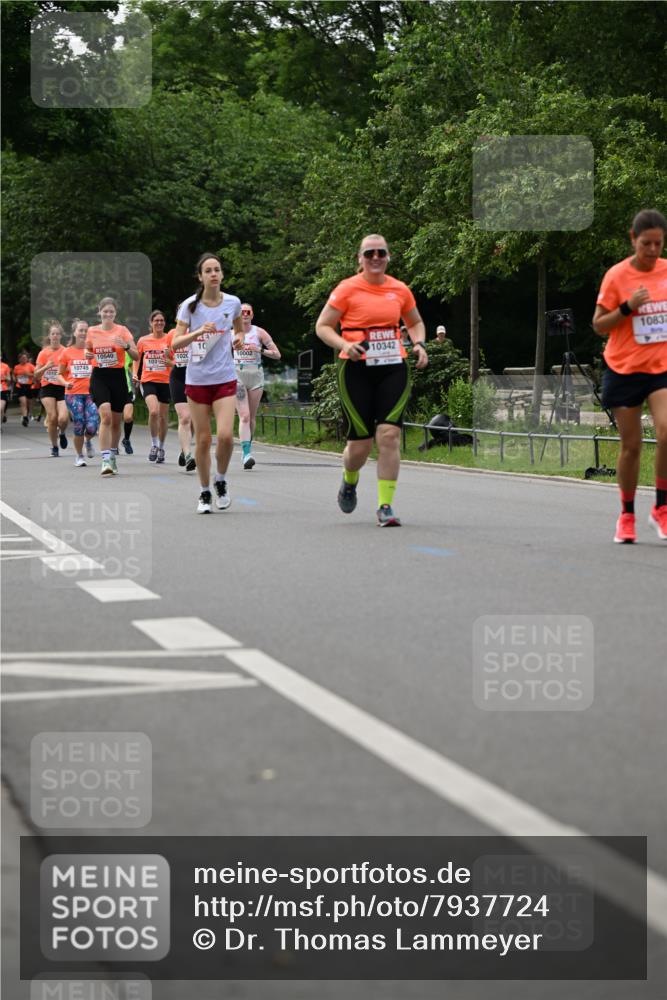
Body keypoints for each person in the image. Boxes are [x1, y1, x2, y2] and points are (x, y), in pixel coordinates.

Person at [315, 233, 428, 526]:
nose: (375, 258)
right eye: (369, 254)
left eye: (381, 253)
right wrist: (344, 345)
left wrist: (419, 344)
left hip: (393, 365)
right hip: (355, 370)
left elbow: (414, 322)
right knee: (360, 446)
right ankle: (349, 480)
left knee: (389, 435)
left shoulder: (400, 289)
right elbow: (323, 326)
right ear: (360, 259)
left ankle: (385, 506)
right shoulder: (347, 289)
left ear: (388, 257)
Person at [592, 208, 667, 543]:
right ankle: (626, 514)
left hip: (661, 368)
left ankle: (661, 509)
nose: (652, 251)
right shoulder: (617, 276)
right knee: (631, 446)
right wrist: (626, 308)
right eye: (646, 244)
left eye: (658, 244)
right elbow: (598, 325)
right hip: (623, 369)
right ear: (633, 239)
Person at [171, 253, 243, 514]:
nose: (213, 274)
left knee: (225, 436)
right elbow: (175, 342)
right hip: (198, 380)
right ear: (200, 276)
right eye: (208, 271)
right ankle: (204, 492)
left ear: (222, 275)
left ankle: (220, 480)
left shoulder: (233, 302)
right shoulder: (190, 306)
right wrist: (199, 332)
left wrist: (239, 338)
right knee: (203, 440)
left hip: (224, 377)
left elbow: (239, 329)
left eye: (217, 270)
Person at [85, 297, 138, 476]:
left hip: (118, 377)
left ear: (115, 313)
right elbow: (88, 350)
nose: (108, 314)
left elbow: (136, 355)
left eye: (111, 311)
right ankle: (105, 459)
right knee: (105, 416)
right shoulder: (92, 331)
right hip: (99, 376)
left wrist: (125, 347)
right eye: (105, 311)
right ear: (99, 312)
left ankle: (113, 453)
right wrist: (87, 354)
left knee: (116, 421)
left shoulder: (123, 331)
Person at [234, 302, 281, 469]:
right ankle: (246, 454)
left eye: (248, 312)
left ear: (252, 315)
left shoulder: (259, 332)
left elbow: (277, 355)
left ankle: (248, 447)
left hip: (256, 376)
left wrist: (259, 350)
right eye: (242, 312)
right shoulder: (231, 333)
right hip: (238, 376)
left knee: (252, 418)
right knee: (244, 416)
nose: (245, 314)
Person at [58, 319, 99, 466]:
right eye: (80, 330)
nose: (83, 333)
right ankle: (79, 456)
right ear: (74, 333)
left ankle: (88, 441)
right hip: (73, 393)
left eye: (86, 330)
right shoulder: (66, 352)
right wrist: (65, 383)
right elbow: (59, 374)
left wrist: (95, 358)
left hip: (91, 394)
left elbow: (102, 369)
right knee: (79, 423)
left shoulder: (93, 350)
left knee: (93, 426)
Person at [134, 310, 172, 463]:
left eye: (162, 320)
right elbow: (136, 358)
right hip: (148, 380)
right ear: (151, 323)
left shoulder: (170, 338)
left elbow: (175, 359)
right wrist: (135, 373)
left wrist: (169, 356)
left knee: (163, 417)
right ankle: (154, 444)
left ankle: (162, 447)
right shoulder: (143, 340)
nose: (159, 323)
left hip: (166, 381)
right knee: (154, 411)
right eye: (156, 320)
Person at [34, 321, 69, 457]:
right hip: (47, 387)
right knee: (52, 417)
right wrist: (46, 367)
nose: (55, 336)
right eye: (52, 334)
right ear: (49, 336)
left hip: (62, 387)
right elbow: (36, 374)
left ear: (61, 336)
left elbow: (71, 369)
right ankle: (54, 447)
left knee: (63, 419)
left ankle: (63, 433)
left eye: (57, 334)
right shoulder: (43, 353)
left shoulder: (65, 351)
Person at [165, 320, 196, 472]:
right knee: (184, 417)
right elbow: (168, 357)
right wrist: (171, 360)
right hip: (178, 376)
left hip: (197, 377)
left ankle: (185, 448)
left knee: (194, 420)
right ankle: (189, 454)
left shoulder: (199, 330)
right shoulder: (172, 333)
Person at [13, 352, 36, 426]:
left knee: (28, 403)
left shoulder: (31, 366)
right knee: (23, 403)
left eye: (25, 358)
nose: (23, 359)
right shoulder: (16, 367)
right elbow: (14, 375)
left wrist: (29, 374)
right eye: (22, 358)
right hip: (20, 386)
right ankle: (25, 417)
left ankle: (28, 414)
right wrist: (15, 379)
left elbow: (36, 374)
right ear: (19, 359)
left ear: (27, 359)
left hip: (29, 386)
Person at [121, 351, 135, 454]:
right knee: (113, 420)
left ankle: (126, 439)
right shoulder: (108, 351)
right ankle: (113, 445)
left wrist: (134, 375)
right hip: (111, 390)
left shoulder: (127, 353)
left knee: (128, 417)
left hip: (127, 390)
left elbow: (132, 365)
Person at [0, 356, 11, 423]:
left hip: (3, 388)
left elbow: (9, 379)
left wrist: (5, 377)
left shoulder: (5, 366)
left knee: (1, 408)